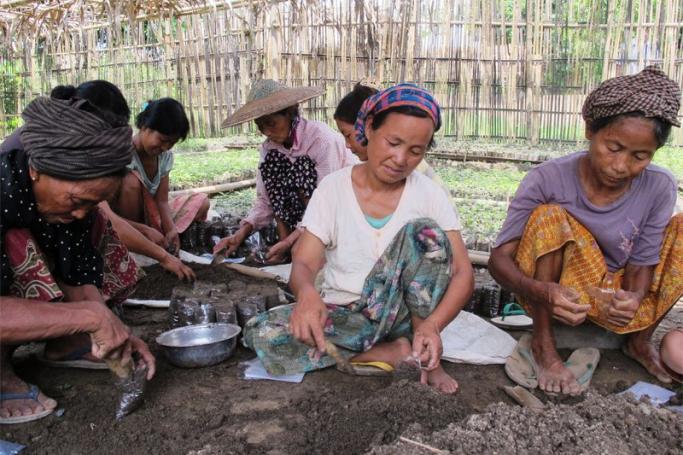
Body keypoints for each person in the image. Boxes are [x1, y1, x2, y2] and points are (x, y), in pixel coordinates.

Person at [244, 84, 474, 394]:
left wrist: (432, 326)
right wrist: (308, 295)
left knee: (423, 233)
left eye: (416, 151)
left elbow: (463, 273)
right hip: (349, 316)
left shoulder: (429, 194)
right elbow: (304, 262)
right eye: (393, 142)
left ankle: (424, 352)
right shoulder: (333, 189)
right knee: (261, 333)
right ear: (368, 128)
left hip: (408, 317)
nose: (401, 158)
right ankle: (392, 353)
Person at [488, 66, 682, 395]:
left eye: (640, 156)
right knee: (549, 217)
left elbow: (644, 260)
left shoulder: (659, 186)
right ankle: (544, 345)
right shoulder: (547, 179)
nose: (621, 166)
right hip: (559, 295)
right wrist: (540, 291)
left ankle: (638, 341)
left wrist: (633, 297)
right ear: (591, 130)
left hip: (614, 297)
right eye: (614, 147)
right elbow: (498, 261)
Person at [0, 95, 155, 424]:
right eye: (76, 199)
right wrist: (92, 318)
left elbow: (79, 274)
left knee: (94, 223)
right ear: (36, 170)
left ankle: (64, 344)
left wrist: (114, 333)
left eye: (93, 200)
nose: (80, 211)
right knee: (19, 242)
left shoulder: (75, 209)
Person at [46, 83, 195, 281]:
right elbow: (105, 218)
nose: (166, 147)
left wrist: (166, 231)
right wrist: (163, 256)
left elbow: (101, 215)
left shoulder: (84, 151)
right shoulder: (73, 158)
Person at [214, 79, 357, 264]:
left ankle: (303, 245)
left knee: (303, 254)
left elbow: (325, 203)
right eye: (260, 126)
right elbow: (265, 201)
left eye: (271, 123)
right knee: (273, 164)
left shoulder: (320, 140)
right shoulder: (269, 149)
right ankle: (287, 245)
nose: (266, 132)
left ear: (289, 113)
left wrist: (292, 242)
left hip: (340, 212)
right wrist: (241, 233)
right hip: (305, 219)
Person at [114, 98, 209, 257]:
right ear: (145, 127)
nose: (165, 147)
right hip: (125, 222)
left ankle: (159, 233)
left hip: (152, 216)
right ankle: (136, 236)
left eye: (171, 143)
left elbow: (162, 201)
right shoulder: (124, 152)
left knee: (202, 202)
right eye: (163, 140)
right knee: (131, 182)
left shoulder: (164, 157)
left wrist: (171, 230)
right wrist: (143, 229)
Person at [334, 80, 442, 182]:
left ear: (368, 127)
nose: (400, 160)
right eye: (393, 143)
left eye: (348, 135)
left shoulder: (424, 185)